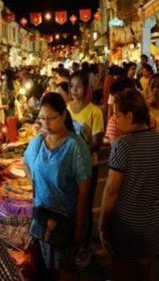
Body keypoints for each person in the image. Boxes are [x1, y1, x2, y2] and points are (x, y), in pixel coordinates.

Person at [99, 89, 159, 281]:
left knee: (124, 272)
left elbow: (112, 190)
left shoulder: (124, 144)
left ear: (130, 116)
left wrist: (103, 223)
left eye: (117, 114)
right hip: (153, 223)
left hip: (127, 226)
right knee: (146, 271)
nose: (114, 119)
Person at [24, 92, 91, 280]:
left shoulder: (75, 146)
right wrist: (35, 186)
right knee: (47, 270)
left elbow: (84, 191)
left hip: (66, 222)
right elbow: (26, 163)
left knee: (66, 272)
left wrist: (80, 230)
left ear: (63, 115)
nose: (46, 123)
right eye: (42, 118)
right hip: (43, 220)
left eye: (51, 118)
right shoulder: (37, 143)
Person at [68, 71, 104, 247]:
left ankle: (85, 243)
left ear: (86, 89)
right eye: (72, 86)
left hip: (89, 166)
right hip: (68, 167)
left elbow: (97, 143)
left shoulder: (95, 112)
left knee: (86, 204)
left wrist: (80, 155)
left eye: (79, 86)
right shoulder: (65, 110)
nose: (74, 90)